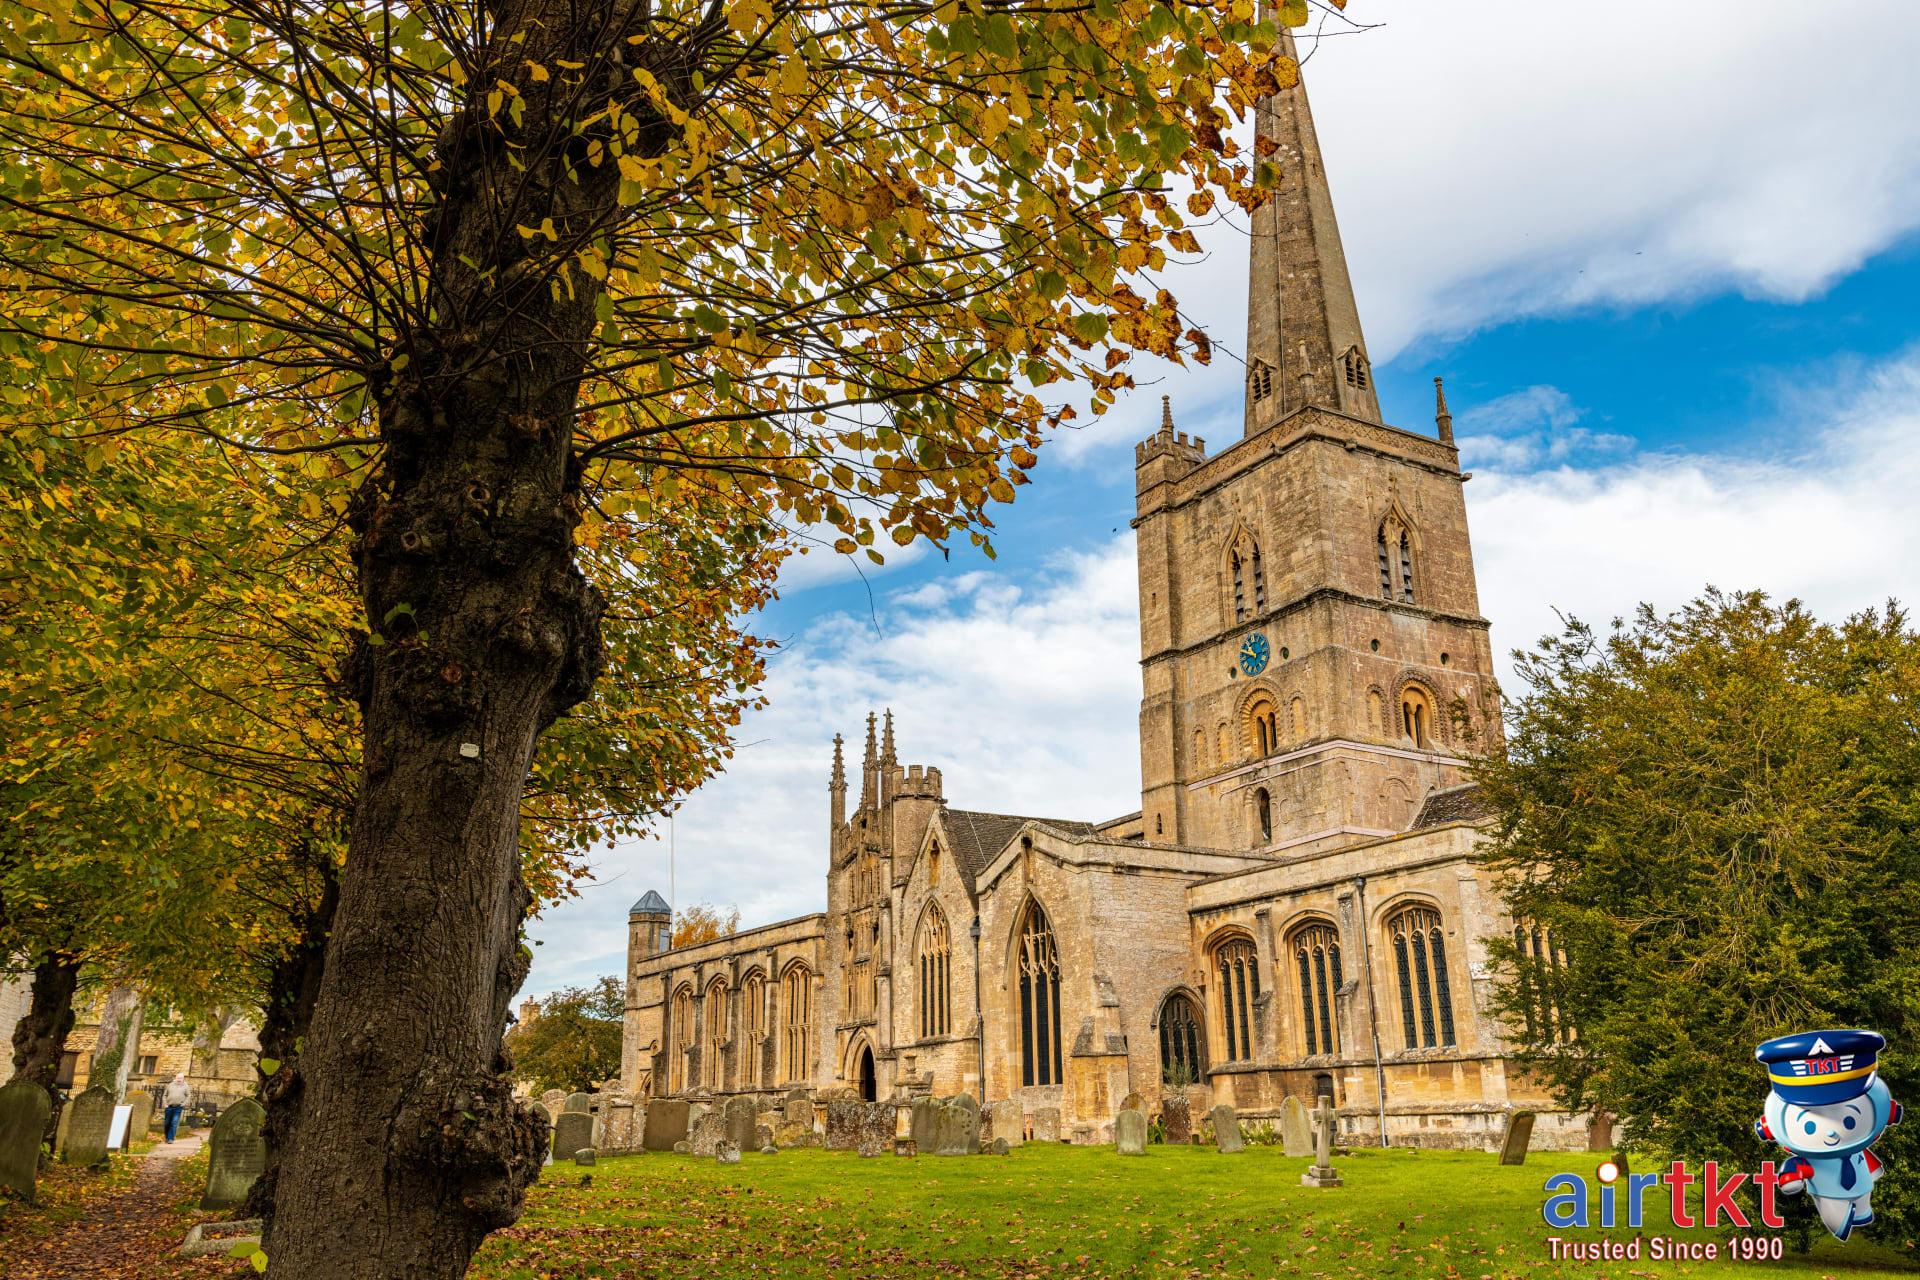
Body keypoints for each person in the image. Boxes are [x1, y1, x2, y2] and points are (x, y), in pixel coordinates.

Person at [162, 1073, 191, 1143]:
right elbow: (164, 1095)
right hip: (169, 1106)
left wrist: (184, 1104)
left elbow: (188, 1095)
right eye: (178, 1078)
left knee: (174, 1122)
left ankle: (171, 1138)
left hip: (178, 1107)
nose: (179, 1080)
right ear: (176, 1078)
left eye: (181, 1078)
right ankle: (167, 1137)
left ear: (183, 1079)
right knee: (167, 1123)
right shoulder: (170, 1085)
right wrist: (165, 1104)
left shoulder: (185, 1086)